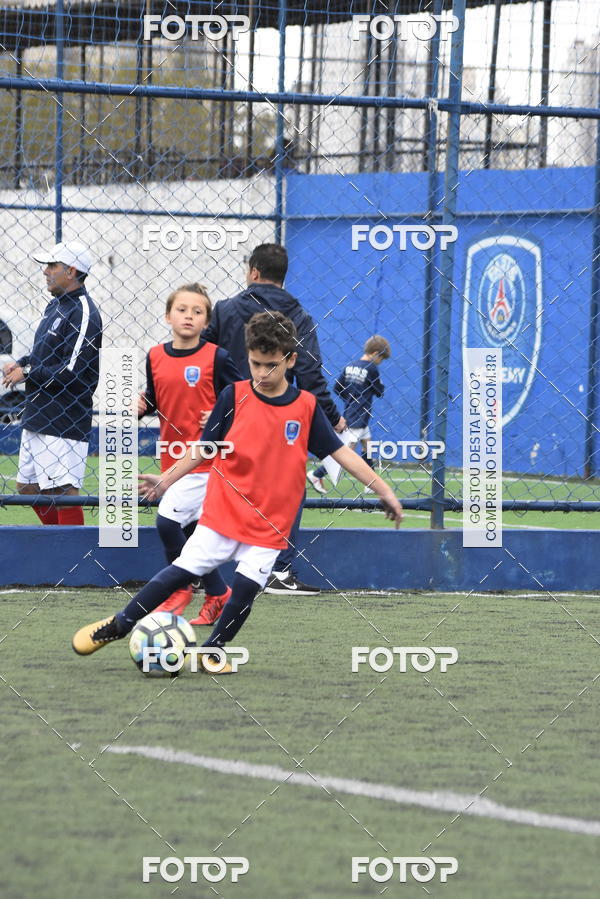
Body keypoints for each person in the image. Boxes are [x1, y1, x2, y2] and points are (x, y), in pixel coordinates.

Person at [72, 311, 403, 671]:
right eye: (256, 363)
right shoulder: (233, 396)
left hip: (270, 524)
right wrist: (167, 479)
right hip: (224, 512)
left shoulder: (306, 406)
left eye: (271, 365)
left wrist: (383, 489)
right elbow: (204, 448)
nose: (262, 373)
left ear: (291, 360)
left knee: (246, 588)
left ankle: (213, 650)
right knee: (182, 570)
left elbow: (340, 453)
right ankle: (119, 625)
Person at [202, 243, 346, 596]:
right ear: (283, 276)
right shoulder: (299, 317)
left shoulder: (224, 310)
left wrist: (213, 404)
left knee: (218, 485)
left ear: (253, 272)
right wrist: (333, 417)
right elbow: (310, 375)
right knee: (287, 487)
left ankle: (202, 569)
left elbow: (202, 357)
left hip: (231, 416)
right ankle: (277, 570)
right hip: (277, 420)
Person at [137, 283, 242, 624]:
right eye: (181, 310)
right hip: (173, 460)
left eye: (197, 312)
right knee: (194, 533)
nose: (188, 316)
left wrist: (220, 414)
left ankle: (179, 588)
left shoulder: (217, 357)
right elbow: (156, 397)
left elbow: (243, 399)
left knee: (167, 522)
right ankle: (218, 593)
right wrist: (142, 406)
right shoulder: (155, 355)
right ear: (168, 316)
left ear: (206, 322)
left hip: (208, 461)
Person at [1, 241, 102, 524]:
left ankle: (74, 547)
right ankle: (58, 539)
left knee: (63, 491)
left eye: (52, 266)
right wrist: (22, 362)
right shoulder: (55, 306)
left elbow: (72, 370)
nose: (45, 271)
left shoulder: (83, 311)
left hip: (64, 416)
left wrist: (28, 373)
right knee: (28, 487)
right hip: (38, 412)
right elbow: (43, 352)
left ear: (71, 271)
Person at [308, 335, 391, 495]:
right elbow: (379, 391)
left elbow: (338, 388)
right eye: (381, 358)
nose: (380, 362)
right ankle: (316, 475)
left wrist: (352, 400)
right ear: (375, 354)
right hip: (360, 416)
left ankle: (370, 484)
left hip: (352, 413)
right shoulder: (372, 368)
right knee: (346, 453)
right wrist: (377, 387)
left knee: (367, 447)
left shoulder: (350, 366)